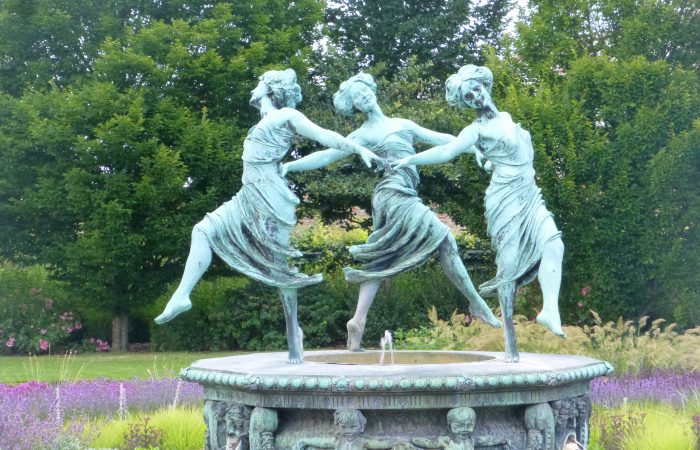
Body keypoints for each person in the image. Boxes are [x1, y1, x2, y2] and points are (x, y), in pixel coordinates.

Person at [154, 69, 380, 364]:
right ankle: (183, 295)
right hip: (246, 195)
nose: (255, 87)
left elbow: (324, 136)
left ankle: (294, 340)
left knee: (279, 270)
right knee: (203, 230)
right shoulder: (261, 122)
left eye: (260, 82)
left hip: (270, 197)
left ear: (271, 88)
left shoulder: (287, 115)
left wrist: (359, 149)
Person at [283, 73, 501, 351]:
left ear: (372, 90)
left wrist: (473, 149)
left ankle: (358, 321)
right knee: (445, 238)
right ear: (355, 106)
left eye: (365, 90)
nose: (364, 96)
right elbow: (327, 154)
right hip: (393, 194)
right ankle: (476, 303)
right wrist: (290, 166)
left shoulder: (403, 124)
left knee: (381, 259)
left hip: (397, 196)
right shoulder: (361, 135)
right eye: (357, 97)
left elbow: (442, 140)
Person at [393, 65, 566, 362]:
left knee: (554, 244)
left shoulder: (508, 118)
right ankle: (510, 343)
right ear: (465, 102)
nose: (475, 96)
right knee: (508, 266)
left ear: (485, 85)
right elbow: (447, 152)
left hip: (529, 193)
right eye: (468, 96)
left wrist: (490, 160)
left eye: (476, 89)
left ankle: (550, 309)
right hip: (505, 200)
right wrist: (411, 160)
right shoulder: (476, 130)